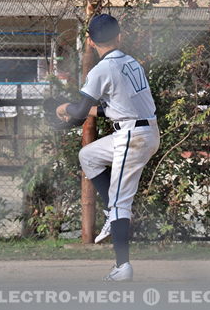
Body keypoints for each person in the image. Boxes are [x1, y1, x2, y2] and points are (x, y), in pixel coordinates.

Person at [56, 14, 160, 282]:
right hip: (141, 130)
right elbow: (114, 107)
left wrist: (66, 109)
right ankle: (110, 212)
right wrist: (78, 112)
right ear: (119, 37)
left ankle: (122, 267)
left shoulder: (101, 69)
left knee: (120, 202)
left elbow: (79, 112)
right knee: (88, 155)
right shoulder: (131, 62)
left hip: (132, 136)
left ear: (89, 41)